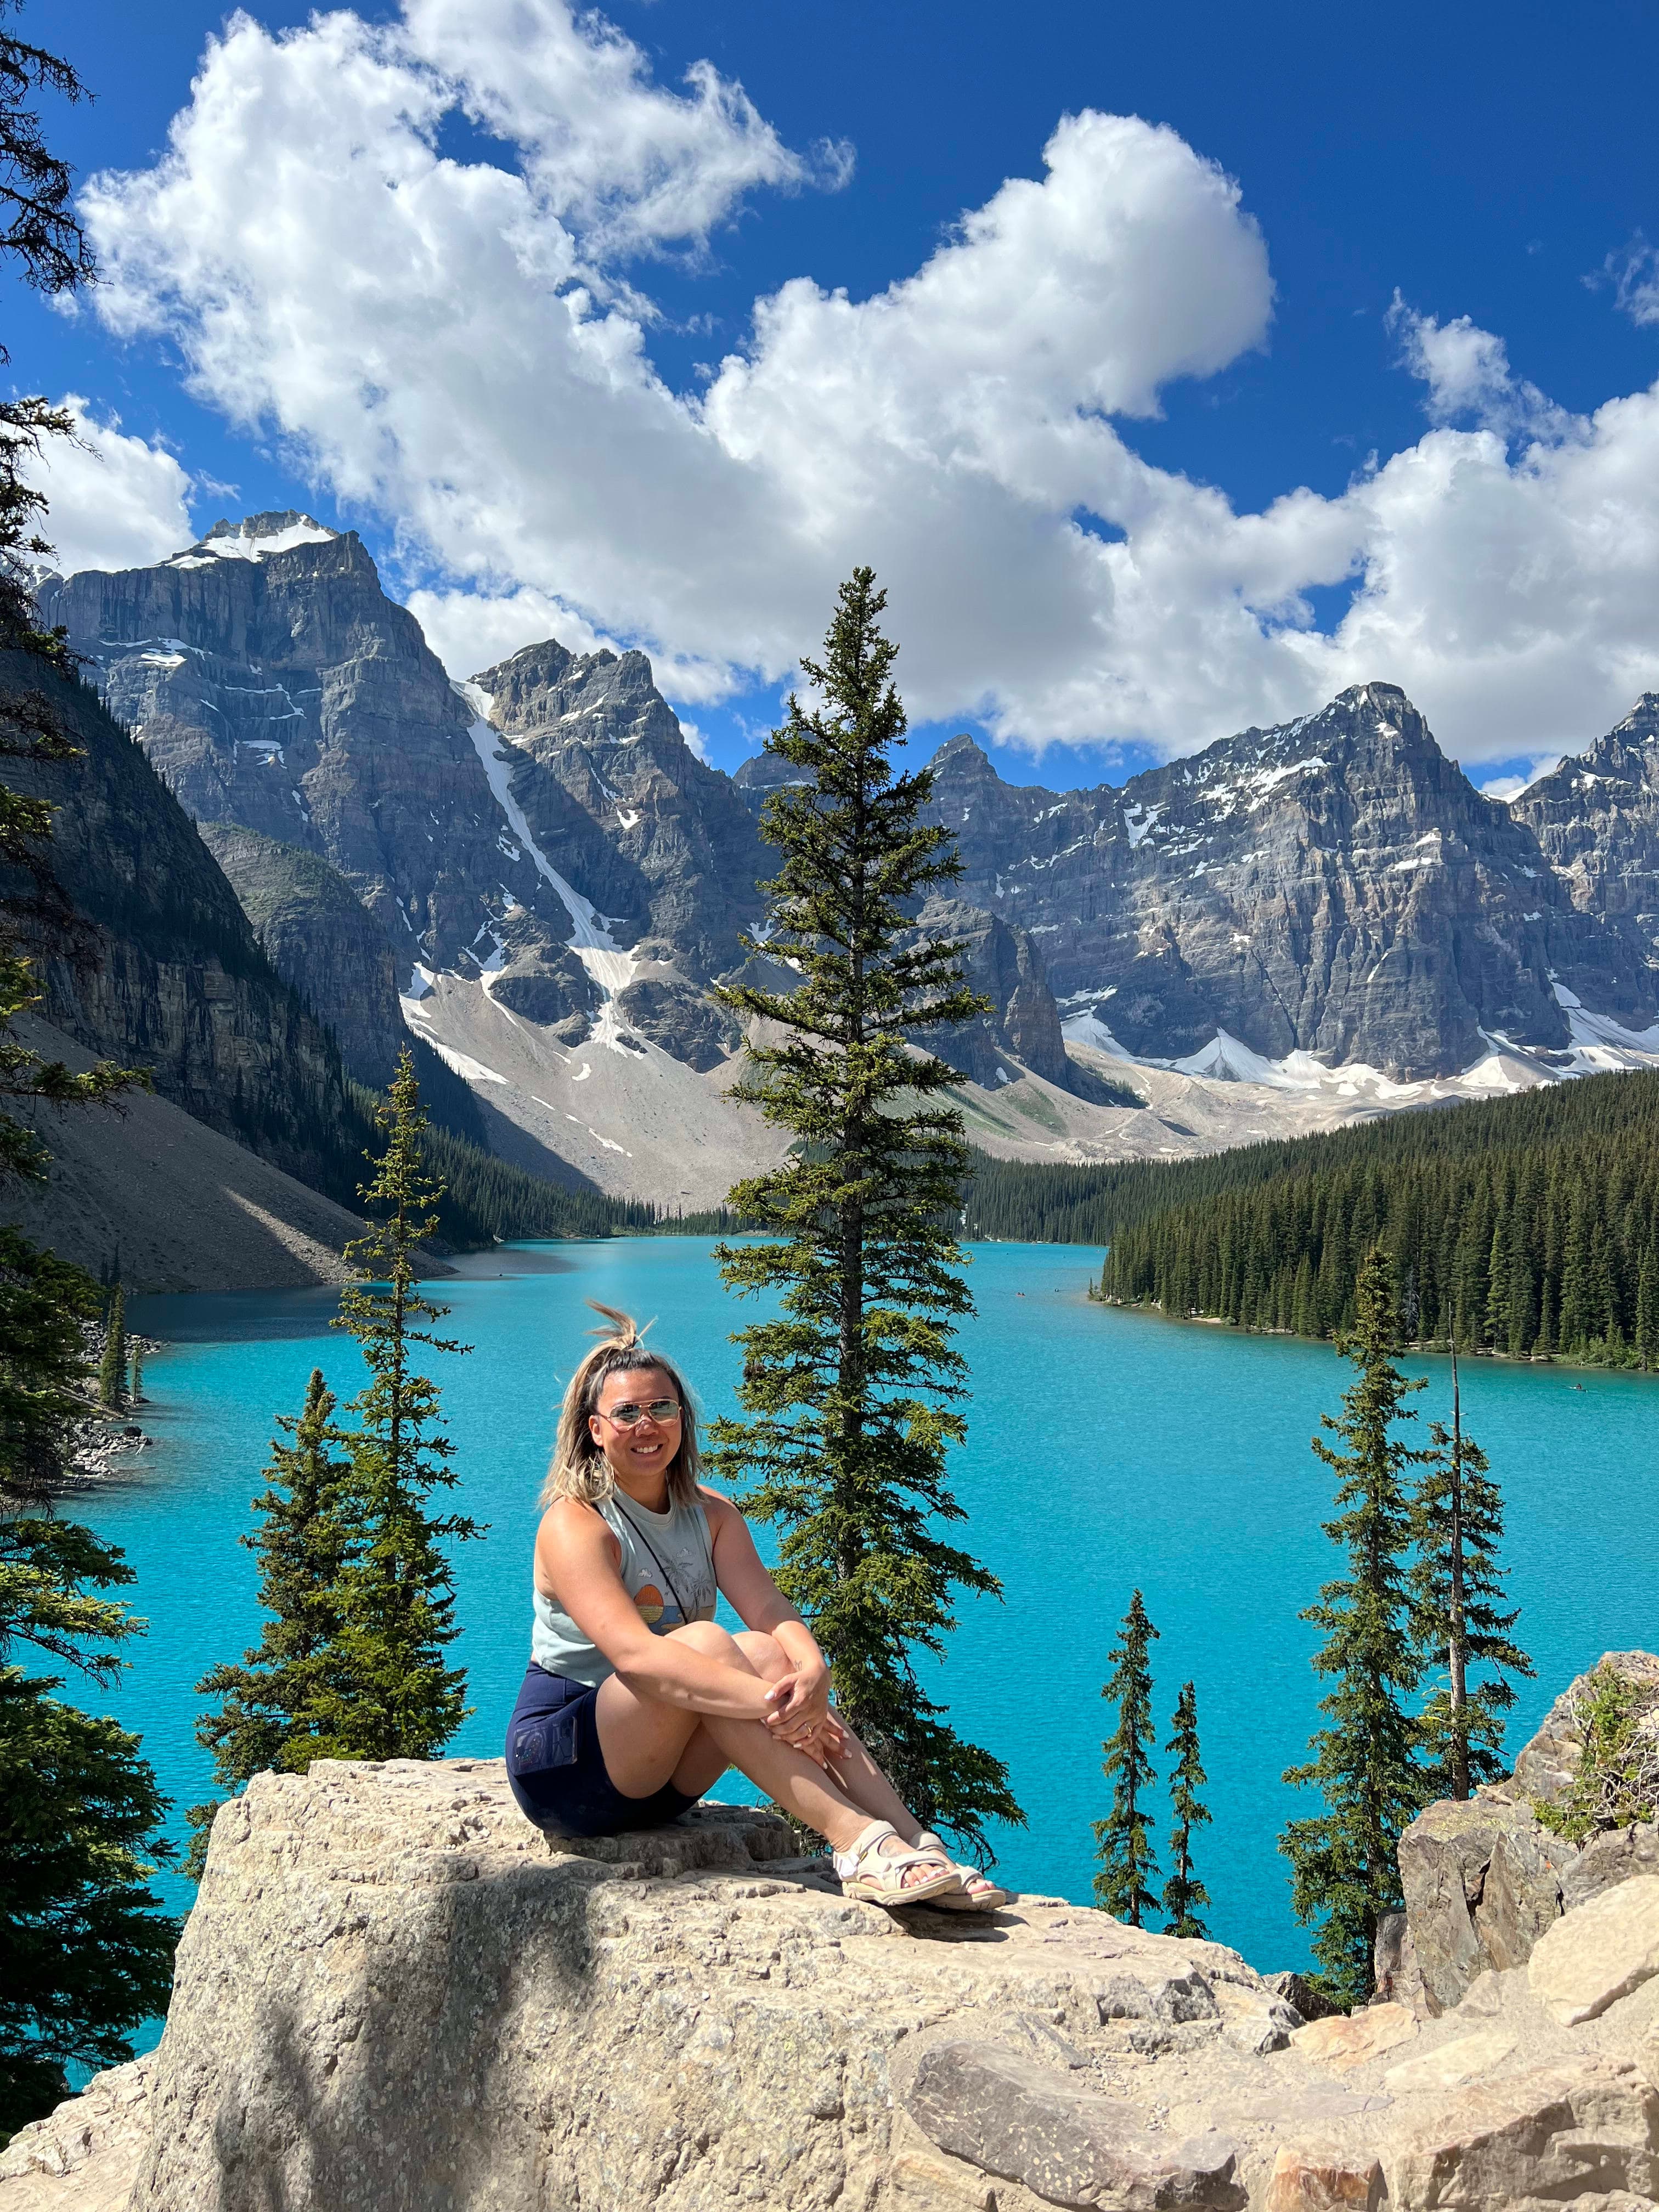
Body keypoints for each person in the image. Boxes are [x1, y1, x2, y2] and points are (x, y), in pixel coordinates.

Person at [504, 1304, 1007, 1911]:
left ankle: (916, 1846)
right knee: (709, 1646)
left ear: (682, 1420)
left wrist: (812, 1676)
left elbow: (769, 1607)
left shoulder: (711, 1513)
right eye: (627, 1413)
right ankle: (857, 1843)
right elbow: (636, 1660)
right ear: (595, 1430)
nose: (647, 1425)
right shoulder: (576, 1524)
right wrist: (781, 1708)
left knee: (770, 1651)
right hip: (567, 1769)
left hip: (662, 1784)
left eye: (662, 1408)